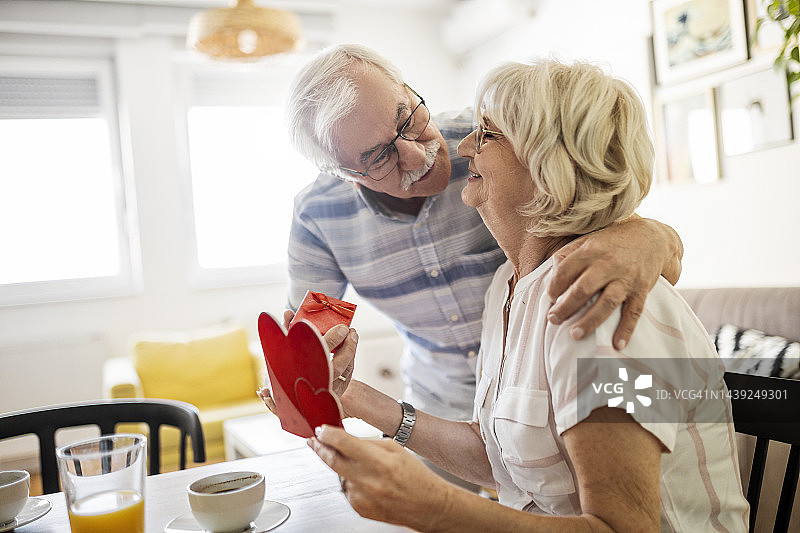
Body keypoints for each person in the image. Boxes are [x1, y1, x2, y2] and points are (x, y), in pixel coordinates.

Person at [305, 59, 749, 531]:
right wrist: (350, 396)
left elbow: (624, 528)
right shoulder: (509, 288)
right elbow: (501, 458)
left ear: (550, 161)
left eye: (488, 133)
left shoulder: (599, 302)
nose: (463, 146)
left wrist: (437, 507)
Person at [284, 44, 683, 423]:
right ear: (346, 177)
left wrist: (650, 235)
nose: (417, 153)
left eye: (407, 118)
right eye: (378, 158)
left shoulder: (495, 147)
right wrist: (316, 368)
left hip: (547, 393)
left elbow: (611, 213)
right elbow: (308, 343)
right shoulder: (320, 217)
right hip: (436, 407)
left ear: (407, 89)